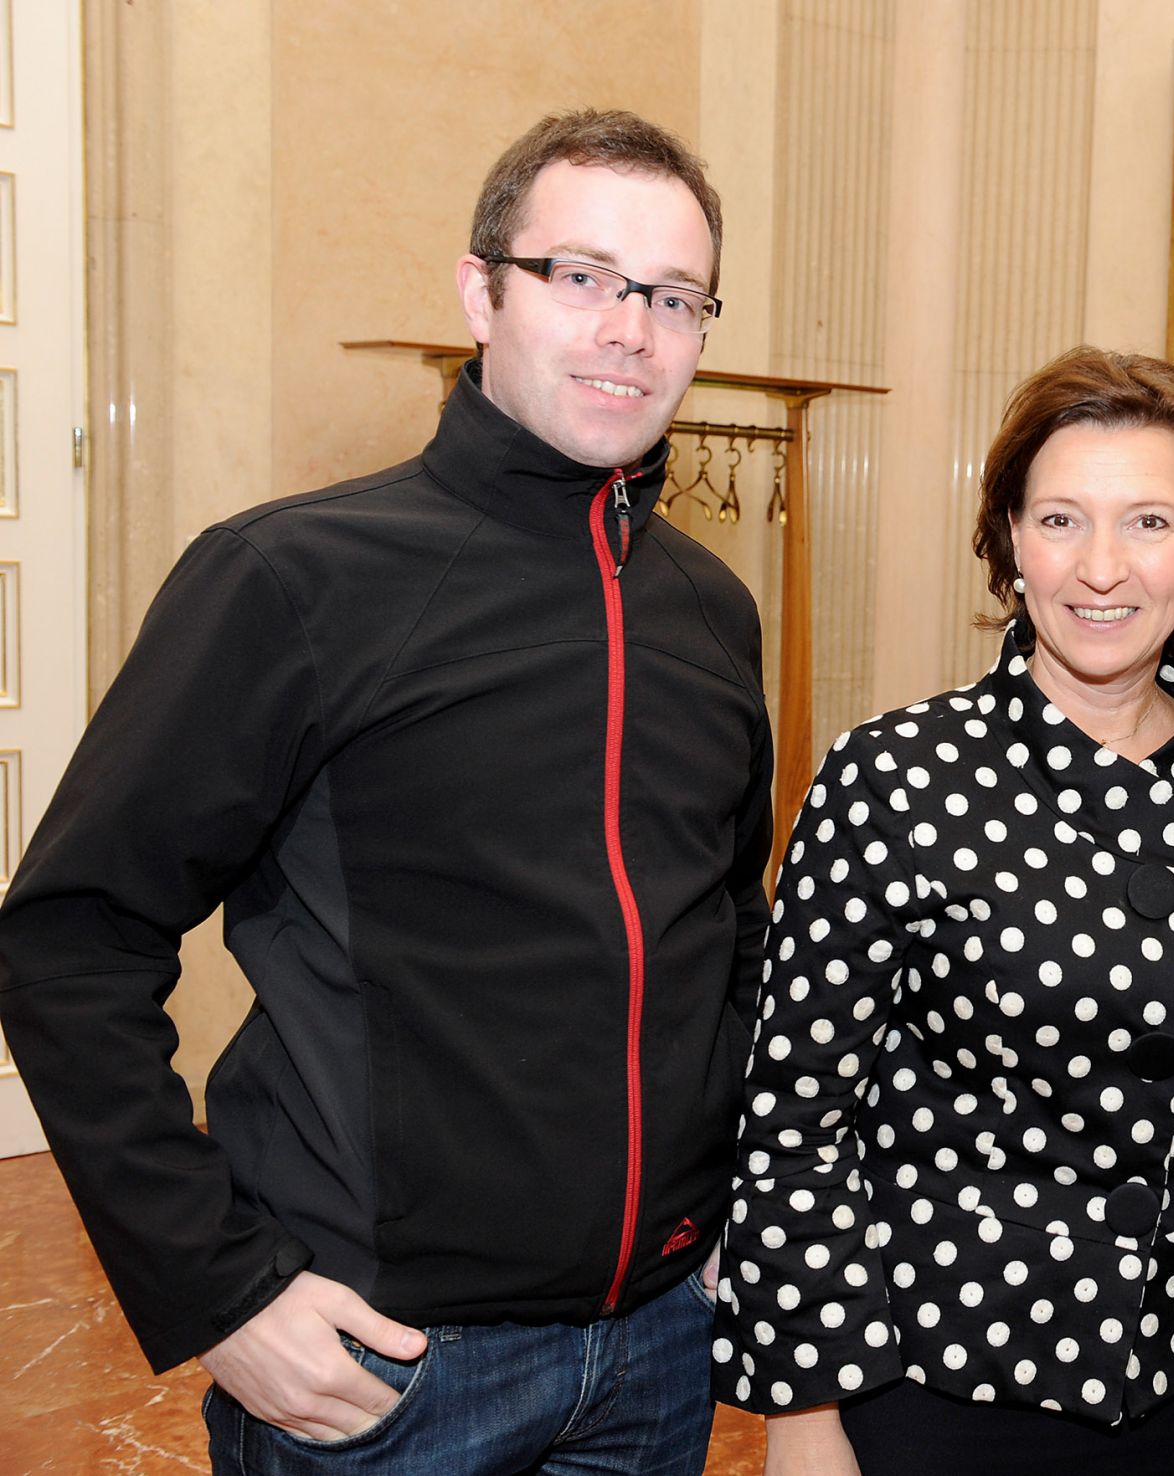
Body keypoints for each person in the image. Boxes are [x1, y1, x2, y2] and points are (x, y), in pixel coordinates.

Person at [0, 109, 772, 1475]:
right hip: (386, 1369)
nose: (629, 331)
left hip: (658, 1353)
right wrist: (218, 1287)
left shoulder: (713, 612)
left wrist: (723, 1225)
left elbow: (724, 954)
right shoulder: (291, 580)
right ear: (479, 292)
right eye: (581, 277)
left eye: (672, 297)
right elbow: (67, 937)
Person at [712, 346, 1174, 1476]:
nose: (1100, 568)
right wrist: (803, 1413)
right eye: (1060, 519)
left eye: (1145, 522)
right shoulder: (894, 775)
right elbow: (794, 1120)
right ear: (1010, 542)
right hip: (932, 1383)